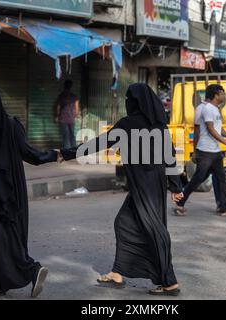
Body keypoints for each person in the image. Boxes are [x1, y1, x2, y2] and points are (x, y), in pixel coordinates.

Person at [60, 83, 184, 296]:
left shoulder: (128, 124)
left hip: (143, 185)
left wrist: (69, 153)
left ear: (134, 102)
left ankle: (169, 281)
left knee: (154, 229)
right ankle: (118, 272)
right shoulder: (159, 125)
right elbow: (170, 156)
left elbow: (101, 143)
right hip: (152, 184)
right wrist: (175, 186)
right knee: (125, 223)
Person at [0, 86, 62, 297]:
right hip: (13, 189)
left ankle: (32, 269)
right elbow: (30, 154)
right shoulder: (12, 125)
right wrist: (55, 155)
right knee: (3, 233)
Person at [175, 84, 226, 217]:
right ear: (216, 95)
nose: (224, 96)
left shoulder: (216, 109)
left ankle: (224, 208)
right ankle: (179, 202)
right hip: (205, 151)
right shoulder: (206, 109)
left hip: (215, 152)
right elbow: (211, 130)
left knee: (221, 178)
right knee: (198, 179)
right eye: (222, 93)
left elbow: (218, 128)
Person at [54, 80, 79, 149]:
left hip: (63, 119)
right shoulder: (74, 96)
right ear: (71, 87)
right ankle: (74, 149)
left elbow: (58, 107)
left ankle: (67, 150)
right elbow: (77, 108)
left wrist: (57, 116)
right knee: (72, 134)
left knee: (66, 135)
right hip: (71, 119)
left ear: (64, 86)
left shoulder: (61, 96)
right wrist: (76, 116)